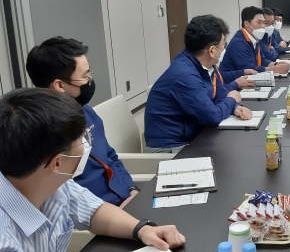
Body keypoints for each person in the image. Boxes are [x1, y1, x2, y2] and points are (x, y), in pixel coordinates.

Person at [0, 88, 185, 251]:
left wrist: (143, 230)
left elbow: (93, 211)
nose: (87, 144)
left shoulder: (46, 179)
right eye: (82, 139)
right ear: (57, 162)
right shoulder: (6, 240)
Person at [26, 37, 138, 208]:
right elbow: (63, 198)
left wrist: (131, 188)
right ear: (60, 85)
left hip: (126, 199)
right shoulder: (42, 134)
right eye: (85, 76)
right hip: (99, 215)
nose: (90, 81)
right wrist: (113, 213)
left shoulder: (85, 111)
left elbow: (110, 156)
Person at [145, 15, 254, 153]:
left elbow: (218, 96)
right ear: (212, 50)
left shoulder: (206, 66)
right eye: (223, 44)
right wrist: (232, 99)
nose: (224, 48)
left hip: (192, 135)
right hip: (168, 148)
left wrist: (235, 108)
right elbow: (212, 117)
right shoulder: (185, 76)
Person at [219, 6, 290, 74]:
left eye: (264, 23)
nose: (263, 26)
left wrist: (276, 64)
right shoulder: (238, 43)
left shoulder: (254, 38)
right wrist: (276, 69)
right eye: (259, 22)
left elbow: (262, 60)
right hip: (232, 84)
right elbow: (250, 70)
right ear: (246, 23)